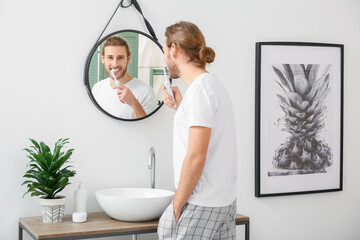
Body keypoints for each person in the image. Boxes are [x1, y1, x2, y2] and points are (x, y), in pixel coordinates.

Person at [158, 21, 237, 239]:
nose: (165, 58)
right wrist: (182, 108)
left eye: (165, 50)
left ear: (174, 49)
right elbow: (206, 141)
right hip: (223, 201)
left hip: (200, 202)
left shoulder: (201, 91)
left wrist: (177, 203)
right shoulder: (211, 86)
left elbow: (196, 157)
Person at [92, 35, 157, 119]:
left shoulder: (145, 91)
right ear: (103, 59)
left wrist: (134, 103)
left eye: (120, 58)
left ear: (128, 59)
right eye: (110, 58)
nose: (115, 64)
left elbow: (149, 128)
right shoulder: (97, 88)